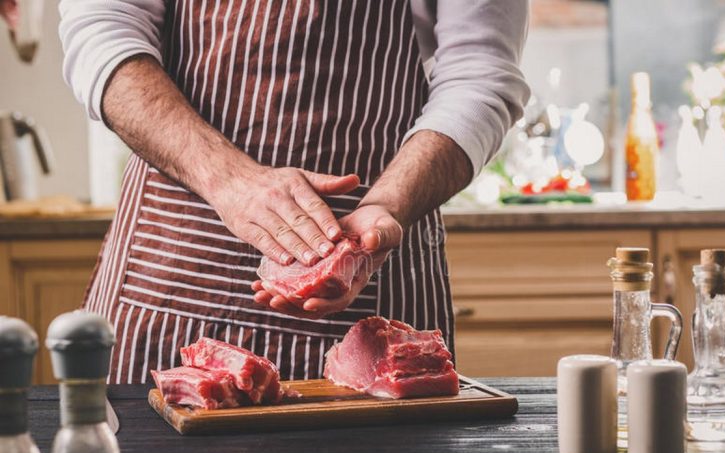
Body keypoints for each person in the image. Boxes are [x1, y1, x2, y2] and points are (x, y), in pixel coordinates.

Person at [58, 0, 529, 383]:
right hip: (171, 275)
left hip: (368, 264)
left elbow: (480, 75)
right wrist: (229, 180)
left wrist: (388, 204)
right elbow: (101, 26)